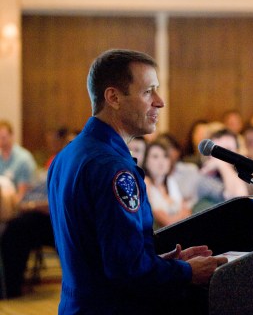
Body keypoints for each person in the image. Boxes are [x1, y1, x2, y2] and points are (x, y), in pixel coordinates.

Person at [47, 49, 227, 314]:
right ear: (113, 97)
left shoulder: (69, 154)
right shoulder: (114, 168)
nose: (160, 101)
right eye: (148, 92)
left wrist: (162, 263)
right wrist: (185, 272)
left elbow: (99, 255)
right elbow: (126, 271)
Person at [195, 128, 248, 212]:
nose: (223, 156)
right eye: (219, 151)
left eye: (229, 150)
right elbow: (236, 197)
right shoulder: (204, 177)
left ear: (238, 153)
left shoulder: (241, 173)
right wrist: (221, 164)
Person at [143, 141, 192, 229]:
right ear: (146, 162)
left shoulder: (170, 181)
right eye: (155, 156)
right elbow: (166, 221)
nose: (161, 161)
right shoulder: (145, 183)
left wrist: (178, 217)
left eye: (165, 156)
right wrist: (181, 216)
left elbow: (188, 212)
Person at [0, 120, 37, 205]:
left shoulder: (23, 159)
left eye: (3, 137)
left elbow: (22, 193)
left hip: (21, 206)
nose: (0, 140)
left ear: (11, 136)